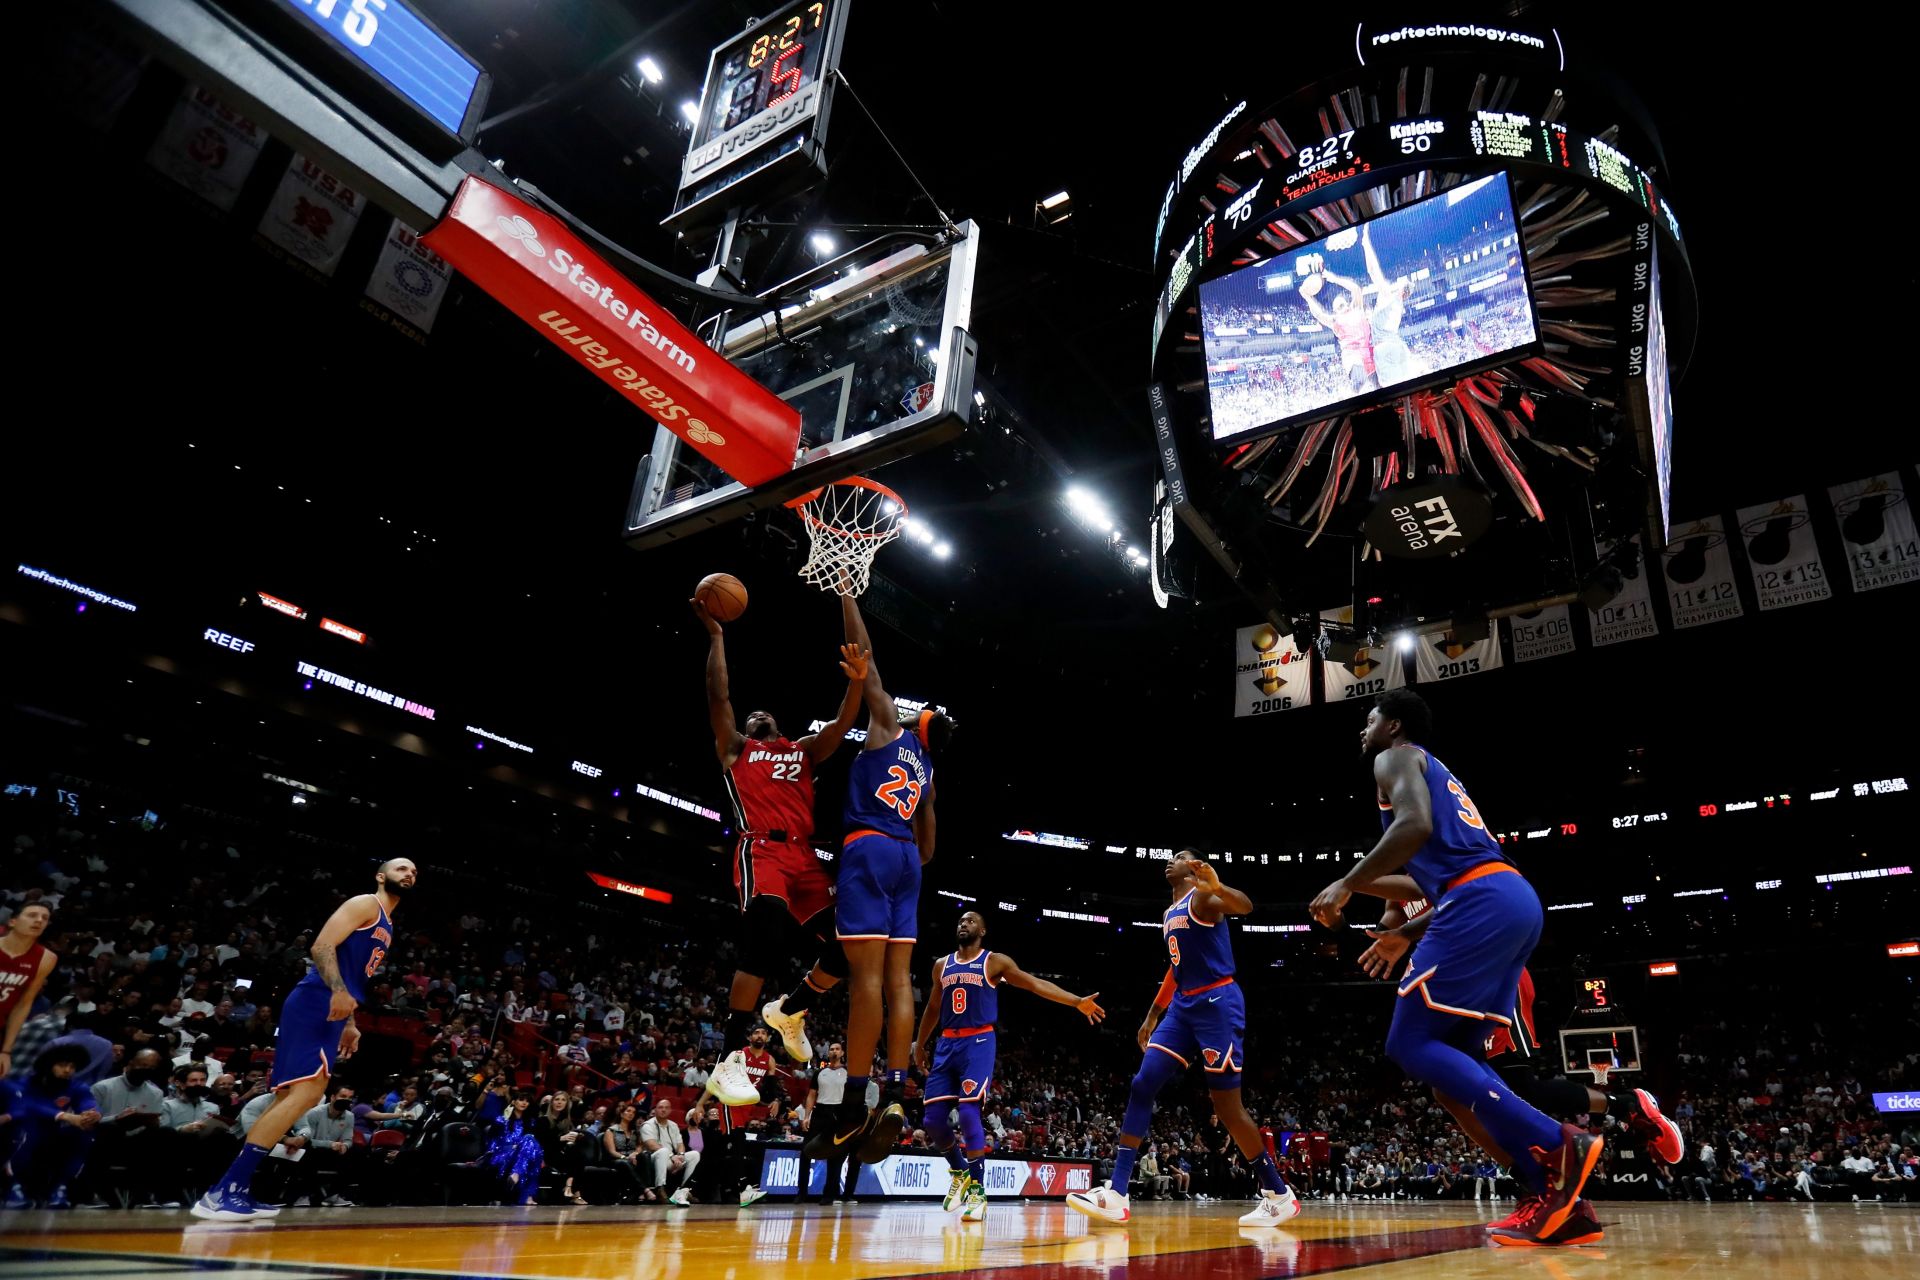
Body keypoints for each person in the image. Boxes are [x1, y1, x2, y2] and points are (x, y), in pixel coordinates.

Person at [1310, 690, 1598, 1245]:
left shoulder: (1393, 757)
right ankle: (1556, 1198)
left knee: (1409, 1044)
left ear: (1393, 726)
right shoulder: (1436, 771)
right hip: (1509, 898)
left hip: (1478, 903)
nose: (1362, 729)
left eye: (1369, 719)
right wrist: (1397, 930)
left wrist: (1348, 883)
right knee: (1451, 1079)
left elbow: (1412, 827)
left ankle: (1560, 1143)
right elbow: (1426, 879)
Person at [692, 592, 868, 1109]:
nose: (760, 714)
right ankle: (728, 1062)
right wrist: (717, 637)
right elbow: (718, 696)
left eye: (767, 713)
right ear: (745, 731)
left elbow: (840, 725)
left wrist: (856, 683)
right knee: (766, 938)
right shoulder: (735, 750)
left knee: (851, 944)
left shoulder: (802, 750)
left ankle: (791, 1009)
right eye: (753, 716)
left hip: (805, 858)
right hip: (761, 852)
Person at [1067, 852, 1301, 1228]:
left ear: (1193, 868)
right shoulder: (1169, 912)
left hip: (1218, 1003)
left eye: (1179, 857)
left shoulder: (1203, 897)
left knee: (1227, 1108)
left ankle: (1278, 1194)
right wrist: (1153, 1014)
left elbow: (1246, 906)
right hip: (1183, 1006)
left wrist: (1218, 884)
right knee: (1143, 1084)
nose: (1170, 860)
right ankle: (1117, 1193)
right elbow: (1175, 970)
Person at [805, 603, 952, 1163]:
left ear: (919, 726)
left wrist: (845, 597)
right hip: (908, 859)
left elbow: (866, 659)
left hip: (867, 847)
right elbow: (931, 846)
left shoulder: (890, 726)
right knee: (898, 979)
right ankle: (895, 1090)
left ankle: (854, 1104)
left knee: (864, 976)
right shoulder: (929, 774)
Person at [193, 856, 416, 1221]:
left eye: (413, 872)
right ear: (381, 876)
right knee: (307, 1092)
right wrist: (339, 995)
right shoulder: (365, 904)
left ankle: (234, 1188)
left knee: (291, 1095)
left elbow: (350, 975)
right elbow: (322, 948)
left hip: (331, 1008)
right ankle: (223, 1192)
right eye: (401, 868)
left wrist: (350, 1020)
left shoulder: (388, 924)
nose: (409, 874)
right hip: (315, 1000)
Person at [911, 910, 1103, 1221]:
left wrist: (1075, 1001)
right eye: (960, 920)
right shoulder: (940, 966)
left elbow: (1033, 984)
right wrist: (919, 1044)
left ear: (983, 930)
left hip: (978, 1042)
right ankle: (959, 1172)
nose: (964, 923)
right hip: (946, 1042)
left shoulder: (994, 961)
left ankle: (977, 1193)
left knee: (970, 1111)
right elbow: (933, 1007)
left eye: (971, 920)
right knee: (933, 1120)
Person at [2, 1043, 100, 1208]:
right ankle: (14, 1187)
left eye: (72, 1066)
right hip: (20, 1134)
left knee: (86, 1133)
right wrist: (65, 1116)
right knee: (27, 1126)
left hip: (54, 1136)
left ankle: (59, 1188)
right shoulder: (24, 1083)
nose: (68, 1070)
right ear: (48, 1066)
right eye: (62, 1065)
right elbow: (26, 1106)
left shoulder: (77, 1086)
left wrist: (91, 1114)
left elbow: (87, 1101)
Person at [0, 903, 58, 1079]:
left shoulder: (46, 958)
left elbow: (24, 1004)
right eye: (32, 915)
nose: (39, 920)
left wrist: (6, 1050)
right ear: (13, 921)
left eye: (45, 918)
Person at [640, 1097, 700, 1206]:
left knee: (695, 1154)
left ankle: (683, 1191)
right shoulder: (647, 1125)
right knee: (663, 1151)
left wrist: (681, 1156)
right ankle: (660, 1189)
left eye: (666, 1108)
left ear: (670, 1110)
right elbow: (651, 1145)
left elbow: (680, 1145)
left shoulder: (673, 1125)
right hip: (654, 1158)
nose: (663, 1110)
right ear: (656, 1109)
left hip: (672, 1159)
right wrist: (672, 1156)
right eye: (660, 1107)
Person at [602, 1102, 654, 1204]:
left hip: (632, 1157)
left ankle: (645, 1189)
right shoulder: (611, 1131)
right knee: (624, 1163)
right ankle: (645, 1190)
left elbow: (640, 1146)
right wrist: (626, 1157)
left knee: (645, 1155)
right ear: (621, 1114)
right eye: (628, 1111)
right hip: (616, 1159)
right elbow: (612, 1151)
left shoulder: (635, 1131)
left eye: (633, 1112)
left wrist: (635, 1153)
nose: (631, 1114)